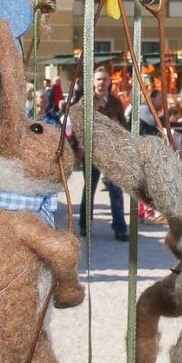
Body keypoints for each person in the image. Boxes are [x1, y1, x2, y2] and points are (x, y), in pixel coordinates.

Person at [80, 66, 129, 242]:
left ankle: (120, 228)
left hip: (111, 153)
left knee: (116, 191)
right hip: (92, 153)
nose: (101, 82)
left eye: (104, 79)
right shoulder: (86, 101)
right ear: (93, 82)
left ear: (109, 81)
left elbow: (123, 126)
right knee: (89, 190)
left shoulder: (116, 103)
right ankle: (85, 225)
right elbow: (78, 126)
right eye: (98, 79)